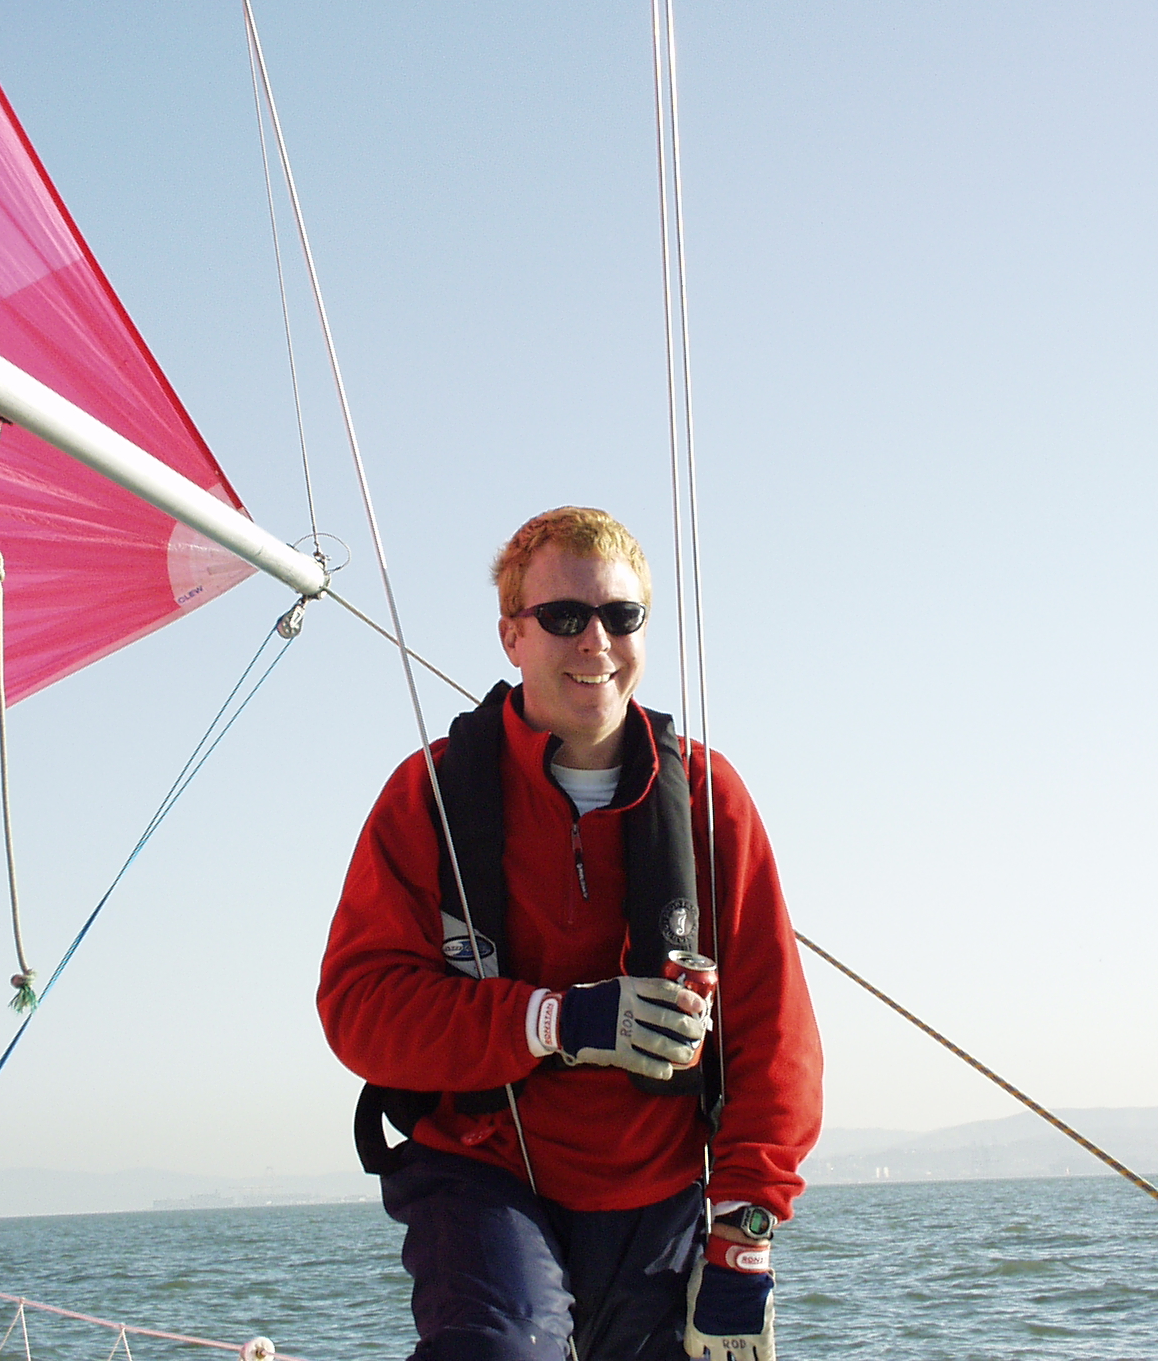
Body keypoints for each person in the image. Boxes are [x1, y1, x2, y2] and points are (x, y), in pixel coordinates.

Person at [318, 507, 822, 1361]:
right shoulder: (430, 796)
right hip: (483, 1172)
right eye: (563, 616)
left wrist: (744, 1237)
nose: (596, 641)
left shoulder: (710, 801)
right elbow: (359, 1010)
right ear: (512, 636)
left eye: (621, 616)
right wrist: (557, 1020)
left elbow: (776, 1033)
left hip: (658, 1189)